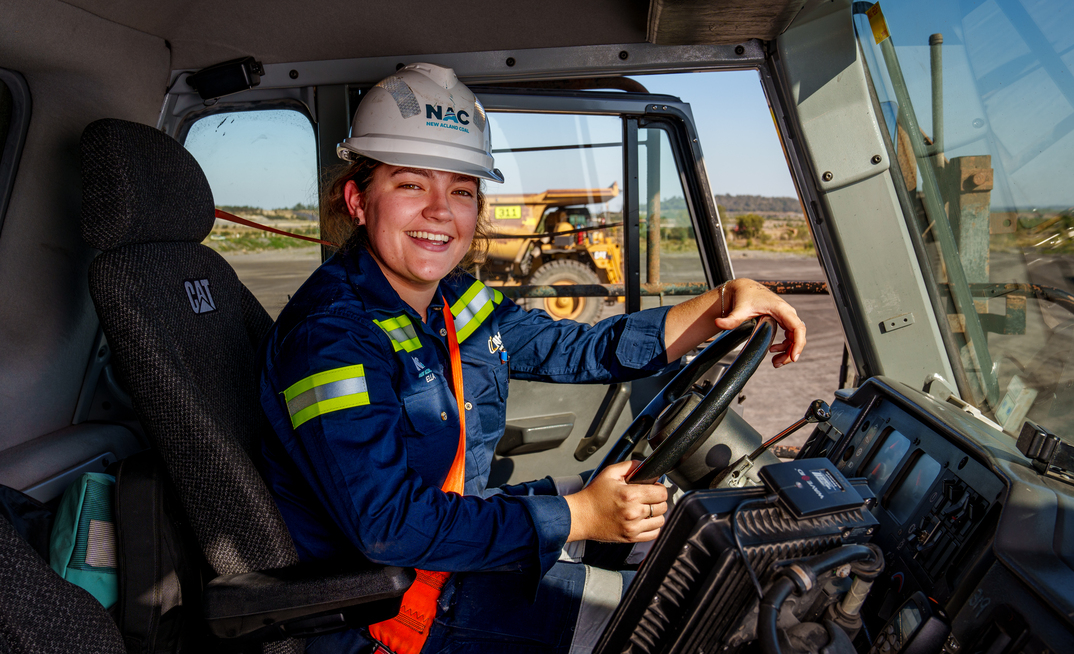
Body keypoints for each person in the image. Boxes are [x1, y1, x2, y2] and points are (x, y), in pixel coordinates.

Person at [257, 63, 806, 654]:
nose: (440, 211)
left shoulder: (454, 301)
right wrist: (579, 516)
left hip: (453, 543)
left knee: (678, 529)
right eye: (411, 185)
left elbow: (579, 348)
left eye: (461, 191)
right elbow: (388, 527)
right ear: (358, 201)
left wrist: (722, 302)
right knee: (684, 615)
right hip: (397, 608)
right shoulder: (330, 336)